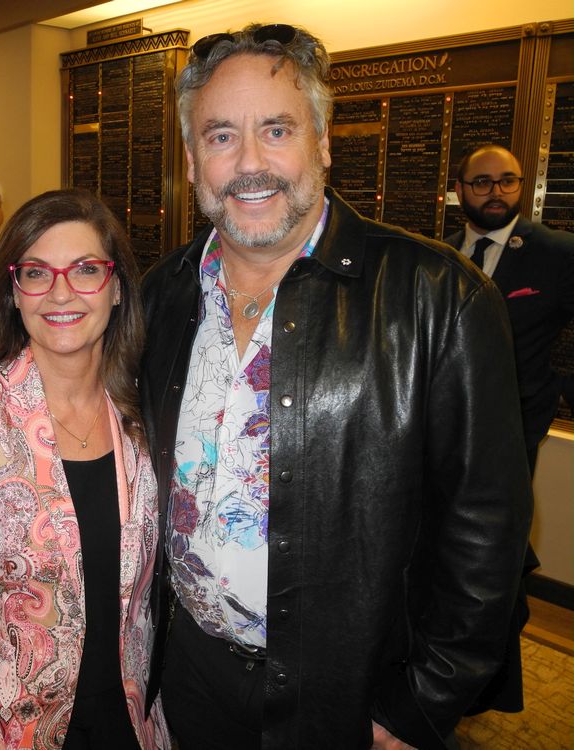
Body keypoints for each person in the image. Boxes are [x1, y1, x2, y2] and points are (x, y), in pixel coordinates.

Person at [139, 23, 532, 749]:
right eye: (221, 136)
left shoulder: (436, 297)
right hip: (189, 674)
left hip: (348, 700)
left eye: (277, 129)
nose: (250, 163)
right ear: (193, 160)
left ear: (322, 142)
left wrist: (420, 702)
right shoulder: (161, 296)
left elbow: (487, 533)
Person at [0, 189, 170, 749]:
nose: (60, 293)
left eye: (85, 270)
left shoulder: (143, 416)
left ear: (118, 286)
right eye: (36, 273)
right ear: (14, 290)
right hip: (9, 729)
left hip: (132, 723)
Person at [446, 144, 574, 474]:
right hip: (441, 432)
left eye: (507, 181)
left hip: (514, 434)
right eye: (482, 182)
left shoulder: (555, 253)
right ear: (460, 190)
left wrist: (558, 390)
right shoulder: (440, 254)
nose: (496, 192)